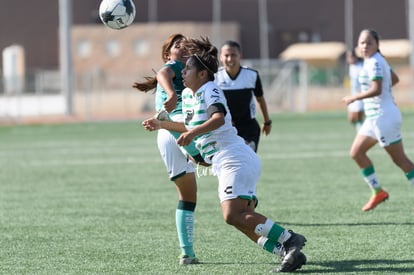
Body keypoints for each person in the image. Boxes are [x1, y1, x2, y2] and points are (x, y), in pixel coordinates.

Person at [143, 37, 307, 273]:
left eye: (188, 68)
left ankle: (290, 239)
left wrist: (193, 135)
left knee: (232, 215)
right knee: (242, 219)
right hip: (227, 163)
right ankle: (288, 254)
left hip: (235, 159)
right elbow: (188, 126)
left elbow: (217, 118)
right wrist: (161, 125)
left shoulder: (211, 90)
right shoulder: (190, 96)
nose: (184, 72)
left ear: (202, 74)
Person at [132, 34, 199, 265]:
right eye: (177, 46)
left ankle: (187, 253)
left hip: (165, 133)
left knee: (188, 197)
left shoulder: (190, 69)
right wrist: (172, 94)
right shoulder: (172, 68)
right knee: (220, 158)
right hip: (181, 126)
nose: (182, 49)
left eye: (186, 47)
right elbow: (162, 73)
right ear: (167, 53)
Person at [342, 29, 414, 211]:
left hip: (384, 118)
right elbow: (394, 79)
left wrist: (355, 98)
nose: (365, 46)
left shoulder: (374, 62)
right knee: (356, 153)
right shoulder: (371, 61)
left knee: (401, 161)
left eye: (369, 42)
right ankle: (378, 192)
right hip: (374, 118)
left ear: (377, 45)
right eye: (362, 43)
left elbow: (377, 89)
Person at [214, 40, 272, 152]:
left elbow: (260, 99)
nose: (230, 59)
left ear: (240, 55)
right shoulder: (215, 78)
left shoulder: (251, 75)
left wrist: (267, 121)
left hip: (248, 127)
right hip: (226, 127)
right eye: (226, 55)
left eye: (233, 55)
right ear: (221, 57)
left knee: (247, 158)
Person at [345, 49, 364, 131]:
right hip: (353, 94)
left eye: (350, 57)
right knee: (352, 119)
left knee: (357, 116)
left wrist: (361, 92)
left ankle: (362, 132)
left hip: (360, 95)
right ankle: (362, 128)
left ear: (355, 57)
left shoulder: (360, 66)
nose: (349, 59)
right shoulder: (351, 67)